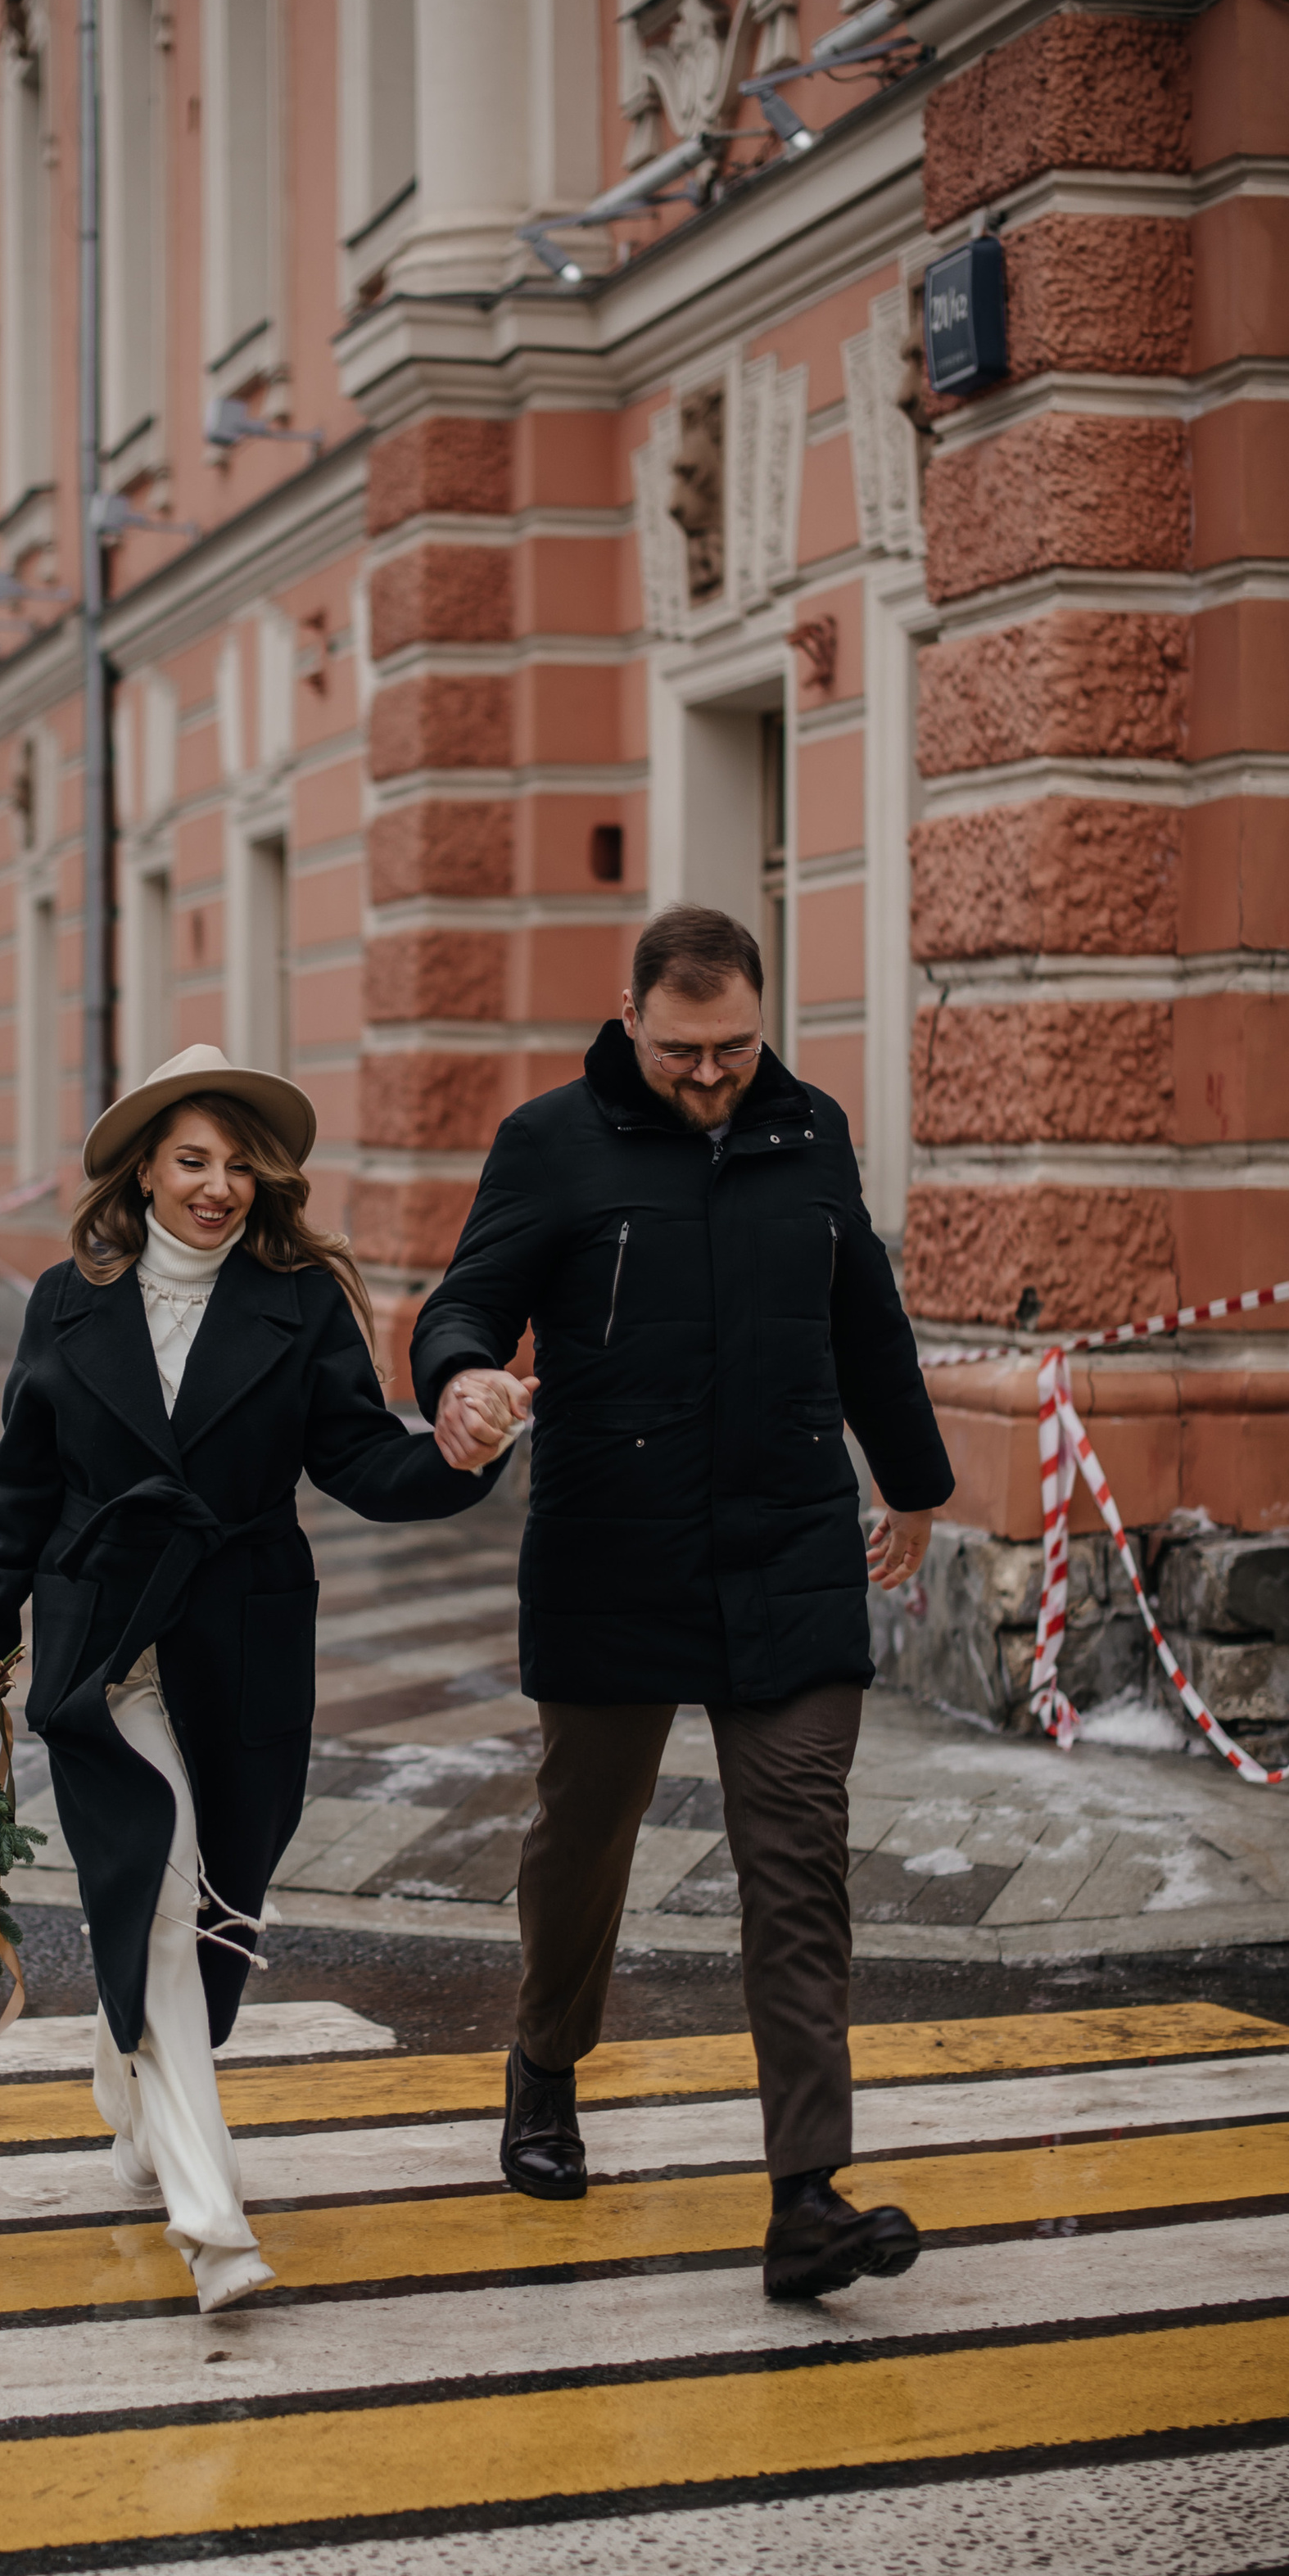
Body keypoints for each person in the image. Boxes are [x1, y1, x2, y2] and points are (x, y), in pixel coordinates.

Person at [411, 905, 956, 2304]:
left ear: (761, 1019)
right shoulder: (554, 1140)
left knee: (798, 1859)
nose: (711, 1073)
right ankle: (543, 2060)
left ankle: (808, 2197)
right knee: (585, 1834)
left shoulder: (813, 1129)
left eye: (734, 1046)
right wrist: (463, 1380)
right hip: (614, 1547)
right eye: (681, 1049)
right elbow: (463, 1301)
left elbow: (866, 1320)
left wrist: (914, 1481)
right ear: (632, 1018)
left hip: (786, 1547)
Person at [0, 1046, 509, 2316]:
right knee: (161, 1874)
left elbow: (362, 1459)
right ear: (143, 1167)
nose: (220, 1186)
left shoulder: (294, 1304)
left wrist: (467, 1449)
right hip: (99, 1646)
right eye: (194, 1160)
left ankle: (126, 2086)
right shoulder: (64, 1302)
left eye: (241, 1165)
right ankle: (214, 2215)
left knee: (214, 1902)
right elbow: (19, 1489)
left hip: (242, 1632)